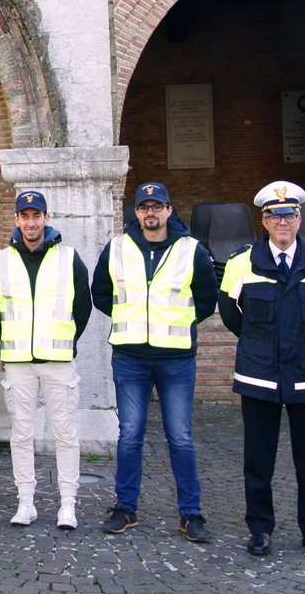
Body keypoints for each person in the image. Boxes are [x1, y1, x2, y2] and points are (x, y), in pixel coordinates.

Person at [218, 181, 305, 560]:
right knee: (258, 461)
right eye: (274, 216)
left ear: (299, 219)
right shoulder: (241, 264)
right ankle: (260, 529)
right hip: (259, 374)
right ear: (264, 221)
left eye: (289, 215)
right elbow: (232, 316)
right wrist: (263, 345)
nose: (282, 222)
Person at [91, 182, 218, 542]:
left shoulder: (191, 249)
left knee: (180, 437)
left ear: (168, 210)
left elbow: (206, 299)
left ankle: (191, 514)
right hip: (130, 356)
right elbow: (100, 293)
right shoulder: (117, 247)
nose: (150, 212)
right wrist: (131, 320)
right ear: (136, 212)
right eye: (144, 207)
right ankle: (125, 507)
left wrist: (177, 324)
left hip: (176, 357)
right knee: (130, 435)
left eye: (157, 206)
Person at [0, 192, 92, 530]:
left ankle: (68, 504)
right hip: (18, 361)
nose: (31, 222)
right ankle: (26, 501)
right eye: (25, 216)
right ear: (16, 219)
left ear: (47, 218)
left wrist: (65, 340)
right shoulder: (0, 260)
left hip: (58, 360)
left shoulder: (69, 257)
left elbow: (83, 306)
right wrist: (13, 340)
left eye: (37, 216)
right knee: (21, 435)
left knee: (65, 434)